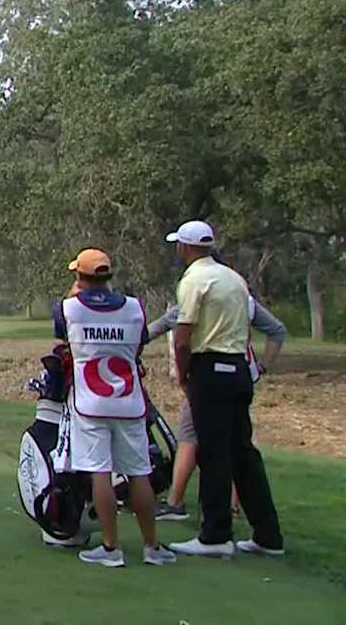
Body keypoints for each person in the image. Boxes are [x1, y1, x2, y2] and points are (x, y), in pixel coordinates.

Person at [163, 221, 285, 559]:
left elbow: (184, 336)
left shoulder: (194, 280)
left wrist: (185, 375)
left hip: (210, 370)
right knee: (243, 452)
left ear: (185, 248)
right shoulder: (234, 278)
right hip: (238, 371)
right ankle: (268, 535)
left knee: (212, 453)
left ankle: (215, 534)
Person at [53, 248, 176, 567]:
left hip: (90, 403)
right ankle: (152, 546)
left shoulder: (68, 309)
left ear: (80, 276)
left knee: (101, 474)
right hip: (129, 401)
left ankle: (111, 548)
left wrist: (76, 292)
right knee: (139, 474)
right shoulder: (134, 308)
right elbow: (139, 341)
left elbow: (61, 333)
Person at [146, 257, 287, 521]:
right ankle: (235, 508)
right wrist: (261, 367)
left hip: (207, 377)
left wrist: (182, 374)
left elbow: (168, 331)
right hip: (239, 375)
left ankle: (181, 506)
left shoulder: (199, 296)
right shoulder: (244, 300)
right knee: (238, 443)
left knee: (193, 439)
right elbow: (277, 331)